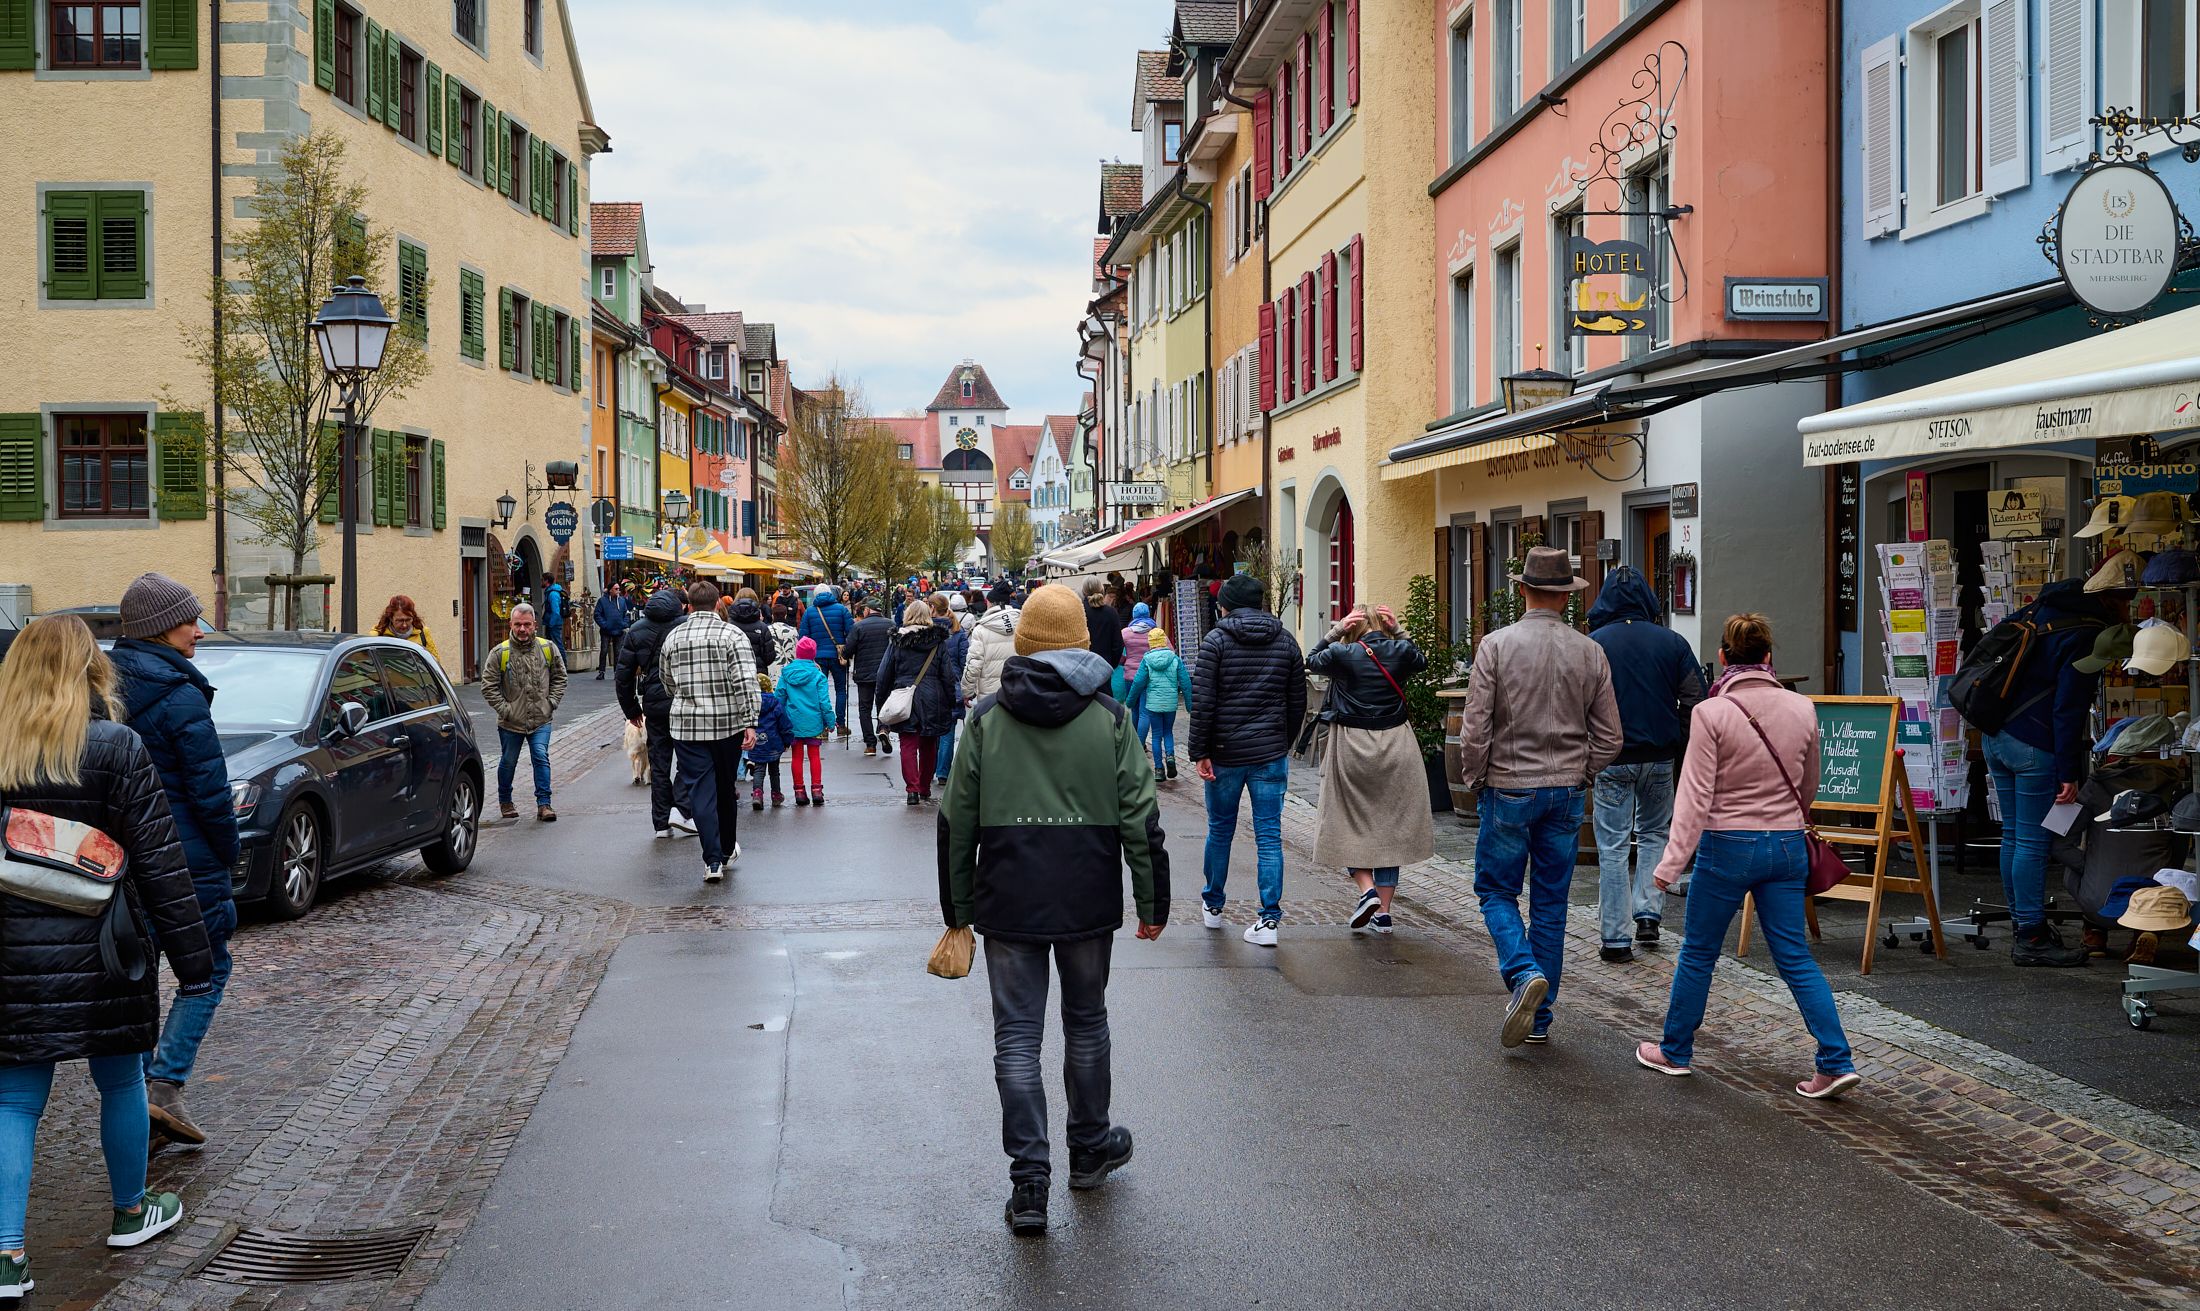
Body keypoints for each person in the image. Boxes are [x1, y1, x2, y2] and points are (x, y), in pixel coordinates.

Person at [937, 583, 1169, 1236]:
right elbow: (1140, 819)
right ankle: (1089, 1147)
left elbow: (956, 822)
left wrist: (958, 909)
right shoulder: (1112, 720)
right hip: (1087, 890)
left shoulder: (985, 719)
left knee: (1016, 1038)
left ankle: (1029, 1182)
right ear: (1080, 642)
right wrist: (1152, 903)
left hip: (1008, 893)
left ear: (1024, 644)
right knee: (1086, 1021)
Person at [0, 616, 216, 1292]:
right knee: (121, 1080)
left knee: (12, 1099)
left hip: (11, 952)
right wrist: (194, 960)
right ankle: (130, 1210)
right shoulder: (117, 747)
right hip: (105, 947)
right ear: (90, 671)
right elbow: (160, 863)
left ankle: (7, 1256)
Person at [1635, 614, 1861, 1100]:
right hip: (1785, 844)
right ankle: (1836, 1060)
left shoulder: (1711, 713)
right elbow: (1808, 784)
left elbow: (1694, 796)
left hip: (1727, 845)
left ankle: (1675, 1051)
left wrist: (1670, 864)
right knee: (1795, 956)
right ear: (1767, 658)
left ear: (1722, 658)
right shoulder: (1802, 708)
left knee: (1699, 953)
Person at [1457, 546, 1623, 1048]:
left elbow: (1475, 728)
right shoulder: (1590, 651)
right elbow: (1612, 736)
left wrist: (1476, 778)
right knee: (1550, 905)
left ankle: (1523, 971)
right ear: (1566, 598)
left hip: (1508, 786)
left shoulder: (1496, 646)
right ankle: (1540, 1019)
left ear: (1523, 590)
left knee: (1496, 891)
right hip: (1566, 793)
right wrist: (1581, 772)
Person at [107, 574, 240, 1150]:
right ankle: (163, 1086)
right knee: (207, 969)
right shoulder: (181, 696)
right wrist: (229, 851)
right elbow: (210, 792)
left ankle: (135, 1099)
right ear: (164, 627)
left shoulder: (105, 689)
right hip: (185, 861)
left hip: (121, 861)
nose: (199, 631)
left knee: (138, 977)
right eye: (191, 620)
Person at [1981, 577, 2119, 967]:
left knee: (2014, 835)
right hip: (2034, 745)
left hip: (1998, 736)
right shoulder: (2085, 633)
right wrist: (2068, 770)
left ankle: (2024, 923)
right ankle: (2031, 935)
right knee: (2032, 842)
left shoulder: (2035, 613)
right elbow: (2068, 708)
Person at [1585, 565, 1705, 962]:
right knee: (1655, 835)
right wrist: (1683, 745)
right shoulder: (1672, 642)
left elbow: (1578, 702)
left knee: (1614, 846)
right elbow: (1695, 700)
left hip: (1612, 756)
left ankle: (1616, 939)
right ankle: (1649, 915)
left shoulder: (1595, 643)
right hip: (1658, 755)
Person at [1189, 571, 1305, 947]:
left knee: (1220, 828)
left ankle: (1213, 904)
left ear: (1225, 605)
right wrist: (1281, 742)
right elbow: (1297, 702)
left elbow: (1203, 702)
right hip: (1269, 753)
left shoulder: (1215, 641)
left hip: (1225, 753)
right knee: (1269, 835)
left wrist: (1200, 752)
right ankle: (1270, 921)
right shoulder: (1286, 641)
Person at [1305, 604, 1434, 935]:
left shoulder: (1343, 653)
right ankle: (1385, 914)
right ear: (1384, 626)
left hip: (1351, 743)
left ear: (1353, 627)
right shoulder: (1401, 650)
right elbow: (1421, 661)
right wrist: (1399, 628)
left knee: (1346, 818)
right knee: (1390, 826)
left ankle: (1367, 891)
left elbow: (1311, 660)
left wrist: (1336, 630)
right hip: (1396, 744)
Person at [657, 582, 760, 883]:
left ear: (688, 605)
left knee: (700, 791)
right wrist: (750, 720)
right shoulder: (732, 635)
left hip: (687, 726)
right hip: (726, 725)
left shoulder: (673, 636)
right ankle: (725, 849)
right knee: (725, 788)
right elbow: (745, 681)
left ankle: (712, 860)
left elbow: (667, 680)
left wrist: (685, 696)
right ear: (717, 604)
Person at [616, 588, 696, 839]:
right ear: (679, 605)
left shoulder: (637, 630)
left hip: (654, 703)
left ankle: (661, 823)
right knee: (689, 758)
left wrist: (631, 709)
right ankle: (681, 810)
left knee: (659, 763)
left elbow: (623, 674)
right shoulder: (686, 626)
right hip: (684, 700)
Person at [482, 603, 567, 823]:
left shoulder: (548, 648)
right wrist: (505, 709)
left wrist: (551, 702)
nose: (522, 629)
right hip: (511, 722)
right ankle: (505, 800)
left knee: (540, 756)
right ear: (511, 624)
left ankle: (544, 804)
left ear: (534, 625)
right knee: (508, 761)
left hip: (541, 718)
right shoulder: (500, 653)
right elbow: (488, 686)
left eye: (527, 624)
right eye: (518, 624)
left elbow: (560, 677)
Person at [879, 600, 957, 805]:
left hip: (905, 695)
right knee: (929, 744)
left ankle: (912, 789)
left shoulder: (898, 641)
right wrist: (950, 700)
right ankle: (924, 787)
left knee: (908, 743)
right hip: (933, 697)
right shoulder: (937, 642)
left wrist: (881, 702)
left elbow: (884, 673)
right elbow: (947, 675)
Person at [1127, 626, 1192, 780]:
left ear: (1150, 643)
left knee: (1156, 736)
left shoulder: (1147, 660)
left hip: (1153, 705)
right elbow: (1186, 683)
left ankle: (1158, 770)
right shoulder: (1174, 659)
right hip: (1170, 703)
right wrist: (1190, 705)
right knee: (1168, 732)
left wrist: (1130, 701)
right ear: (1163, 641)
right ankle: (1170, 757)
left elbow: (1137, 683)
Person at [780, 637, 835, 805]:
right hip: (814, 721)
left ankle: (799, 792)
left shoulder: (786, 673)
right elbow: (824, 702)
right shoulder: (818, 675)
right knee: (814, 756)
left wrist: (780, 721)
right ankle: (817, 791)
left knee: (796, 757)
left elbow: (779, 698)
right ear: (813, 654)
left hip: (793, 722)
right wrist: (831, 722)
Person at [798, 585, 855, 735]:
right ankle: (840, 725)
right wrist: (847, 651)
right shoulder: (841, 609)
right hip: (838, 656)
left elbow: (803, 638)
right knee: (841, 689)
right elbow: (852, 632)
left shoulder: (810, 612)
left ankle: (823, 727)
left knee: (819, 691)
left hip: (817, 657)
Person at [843, 601, 896, 757]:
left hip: (865, 673)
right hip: (885, 673)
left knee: (865, 708)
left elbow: (849, 649)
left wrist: (845, 655)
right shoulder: (891, 624)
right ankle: (883, 728)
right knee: (884, 705)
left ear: (867, 610)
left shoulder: (859, 626)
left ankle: (870, 744)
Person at [929, 593, 967, 790]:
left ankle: (930, 768)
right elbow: (964, 662)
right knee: (948, 731)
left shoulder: (925, 631)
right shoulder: (959, 633)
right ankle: (943, 772)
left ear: (933, 608)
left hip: (930, 686)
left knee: (930, 730)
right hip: (952, 686)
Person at [961, 591, 1021, 704]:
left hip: (990, 697)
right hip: (1018, 691)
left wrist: (966, 692)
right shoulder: (1023, 624)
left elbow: (974, 664)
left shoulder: (981, 629)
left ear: (990, 603)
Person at [747, 673, 795, 809]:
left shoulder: (750, 706)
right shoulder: (776, 704)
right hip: (774, 744)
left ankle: (757, 794)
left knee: (758, 770)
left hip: (757, 743)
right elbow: (785, 726)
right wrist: (787, 742)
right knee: (774, 771)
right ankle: (776, 795)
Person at [1120, 602, 1155, 745]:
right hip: (1149, 677)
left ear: (1134, 615)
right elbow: (1169, 651)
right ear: (1147, 614)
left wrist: (1124, 661)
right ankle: (1141, 744)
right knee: (1145, 712)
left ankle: (1135, 744)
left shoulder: (1125, 633)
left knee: (1134, 710)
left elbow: (1118, 654)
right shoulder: (1155, 632)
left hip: (1130, 676)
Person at [726, 587, 779, 677]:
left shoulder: (727, 626)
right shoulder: (762, 627)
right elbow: (769, 657)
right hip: (758, 674)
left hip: (734, 673)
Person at [373, 594, 441, 661]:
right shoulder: (378, 635)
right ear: (391, 618)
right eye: (400, 620)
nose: (404, 625)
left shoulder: (423, 633)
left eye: (408, 620)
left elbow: (435, 661)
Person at [593, 581, 634, 679]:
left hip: (619, 630)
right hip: (606, 630)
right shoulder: (602, 601)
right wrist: (605, 625)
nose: (618, 591)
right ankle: (601, 672)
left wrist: (624, 624)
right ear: (610, 590)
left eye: (619, 589)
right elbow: (597, 614)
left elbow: (627, 614)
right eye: (616, 589)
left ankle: (617, 672)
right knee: (604, 651)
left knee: (618, 652)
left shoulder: (622, 600)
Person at [1084, 580, 1125, 677]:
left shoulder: (1079, 611)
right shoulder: (1111, 612)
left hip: (1083, 666)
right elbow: (1118, 644)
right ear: (1102, 590)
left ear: (1084, 591)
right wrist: (1112, 664)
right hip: (1105, 666)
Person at [539, 574, 567, 657]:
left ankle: (563, 665)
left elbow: (556, 611)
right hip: (553, 622)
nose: (541, 582)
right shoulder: (551, 592)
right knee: (552, 645)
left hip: (554, 623)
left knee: (557, 645)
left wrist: (551, 624)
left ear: (547, 581)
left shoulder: (552, 594)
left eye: (542, 580)